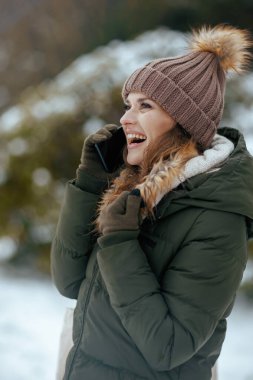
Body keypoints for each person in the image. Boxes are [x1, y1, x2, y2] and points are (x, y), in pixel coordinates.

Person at [51, 24, 253, 380]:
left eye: (145, 105)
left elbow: (169, 346)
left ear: (184, 122)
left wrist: (119, 242)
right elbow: (68, 282)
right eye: (128, 105)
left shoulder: (218, 218)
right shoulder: (130, 188)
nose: (126, 118)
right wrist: (89, 182)